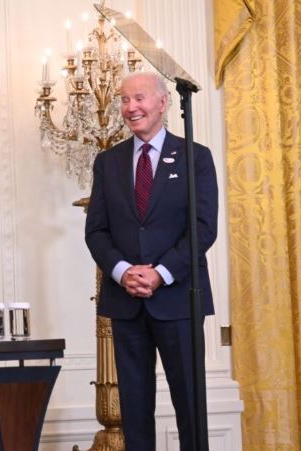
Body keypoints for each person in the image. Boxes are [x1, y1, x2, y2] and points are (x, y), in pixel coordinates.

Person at [84, 72, 218, 451]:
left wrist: (160, 274)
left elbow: (203, 229)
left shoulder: (196, 157)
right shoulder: (107, 162)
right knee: (134, 412)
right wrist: (124, 271)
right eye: (125, 100)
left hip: (179, 301)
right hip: (126, 303)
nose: (131, 108)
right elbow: (96, 232)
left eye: (139, 98)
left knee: (190, 406)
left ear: (163, 103)